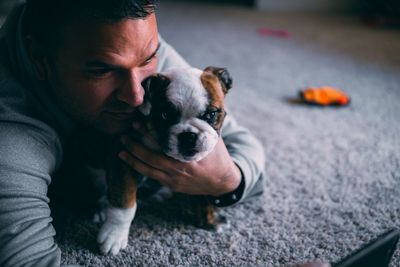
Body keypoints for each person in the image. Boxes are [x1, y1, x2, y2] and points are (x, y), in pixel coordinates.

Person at [0, 0, 265, 266]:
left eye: (149, 59)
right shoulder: (11, 138)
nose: (138, 95)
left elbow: (243, 142)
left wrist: (228, 180)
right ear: (40, 60)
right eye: (102, 70)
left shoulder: (130, 40)